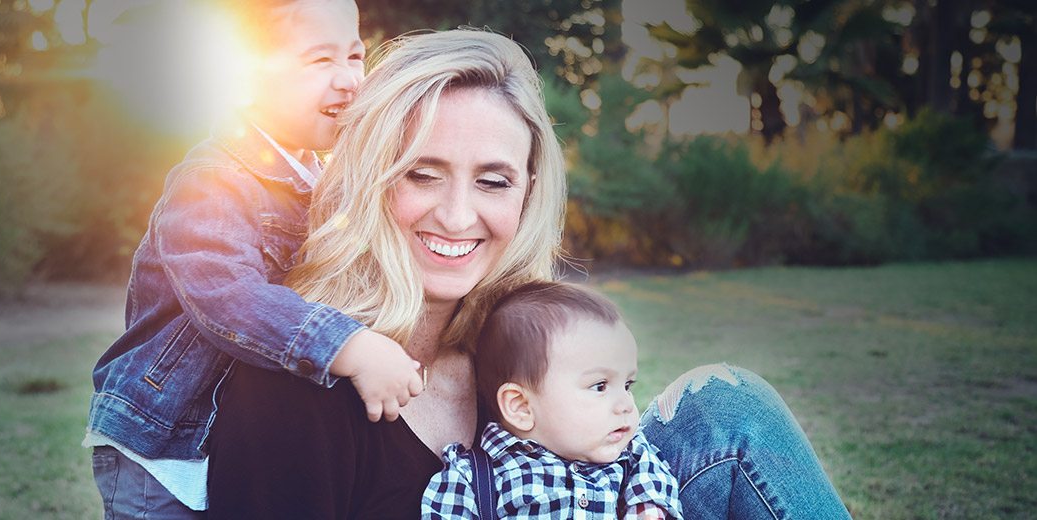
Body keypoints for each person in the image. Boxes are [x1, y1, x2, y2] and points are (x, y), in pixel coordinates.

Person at [205, 29, 851, 519]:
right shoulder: (295, 384)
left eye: (493, 181)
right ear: (368, 178)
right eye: (421, 174)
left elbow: (617, 458)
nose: (458, 216)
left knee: (726, 403)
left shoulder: (524, 337)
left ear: (527, 193)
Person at [83, 1, 426, 517]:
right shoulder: (213, 178)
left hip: (233, 438)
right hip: (166, 446)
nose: (350, 79)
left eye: (355, 56)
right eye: (320, 61)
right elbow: (227, 296)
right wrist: (349, 345)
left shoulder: (321, 179)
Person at [422, 281, 683, 519]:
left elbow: (653, 473)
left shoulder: (628, 452)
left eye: (627, 385)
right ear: (521, 407)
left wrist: (646, 507)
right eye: (600, 386)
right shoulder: (473, 479)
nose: (626, 404)